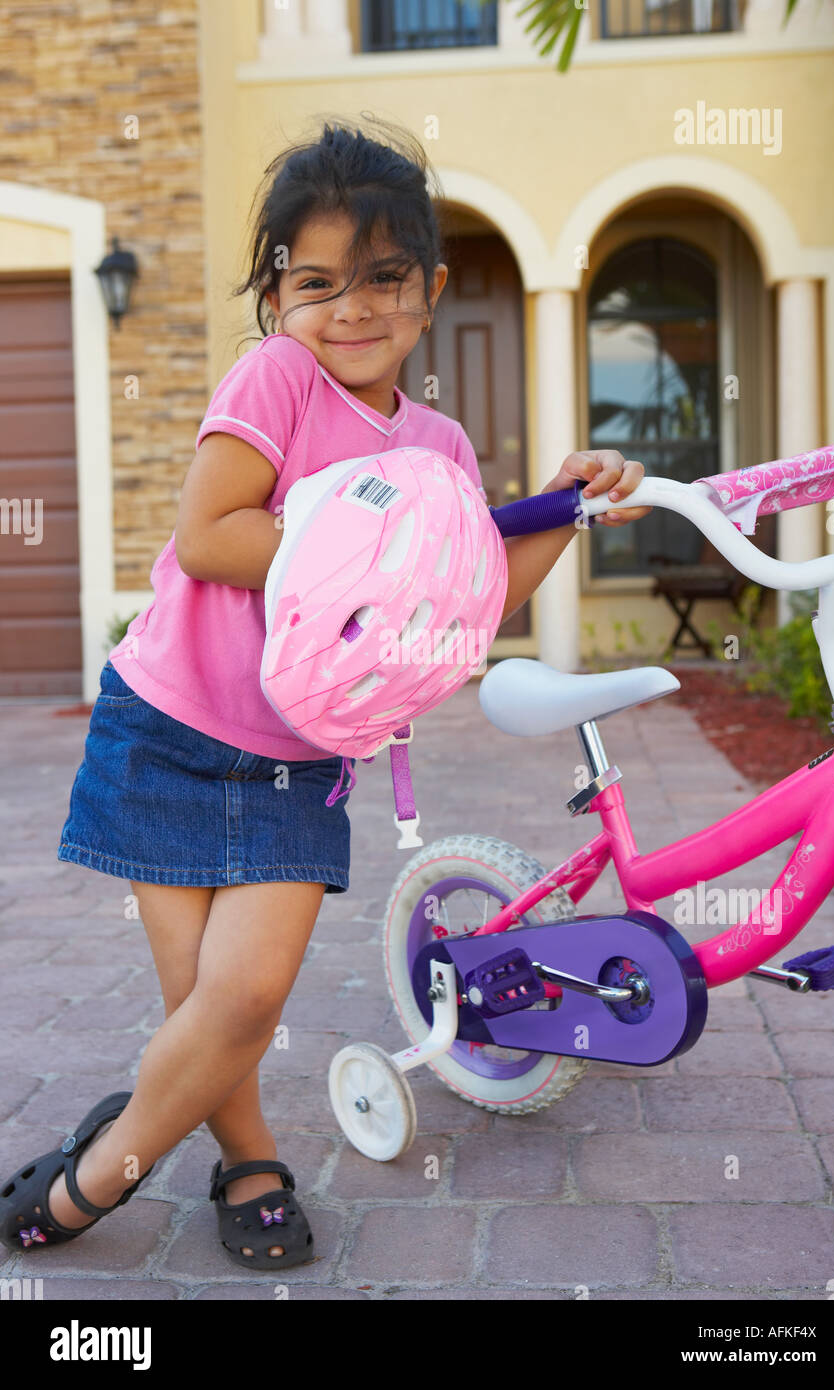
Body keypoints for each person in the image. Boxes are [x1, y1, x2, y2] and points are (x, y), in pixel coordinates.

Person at [0, 115, 651, 1272]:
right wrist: (367, 559)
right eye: (314, 282)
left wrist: (564, 503)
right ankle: (247, 1162)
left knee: (241, 999)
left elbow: (469, 598)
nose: (349, 307)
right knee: (208, 1005)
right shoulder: (279, 379)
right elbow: (209, 535)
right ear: (275, 292)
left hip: (300, 756)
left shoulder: (440, 451)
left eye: (382, 279)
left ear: (431, 288)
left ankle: (95, 1175)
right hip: (169, 724)